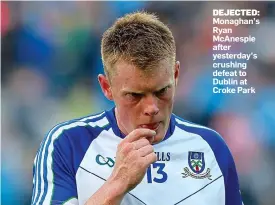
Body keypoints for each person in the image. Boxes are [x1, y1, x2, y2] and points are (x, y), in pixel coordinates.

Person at [31, 11, 243, 205]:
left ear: (176, 75)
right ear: (107, 87)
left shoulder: (211, 148)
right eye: (135, 95)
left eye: (162, 91)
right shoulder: (67, 143)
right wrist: (117, 183)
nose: (151, 108)